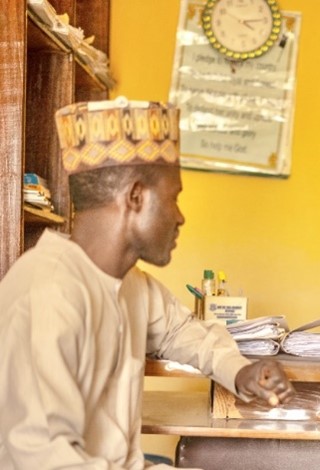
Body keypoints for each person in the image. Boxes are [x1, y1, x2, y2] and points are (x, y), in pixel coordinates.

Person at [0, 97, 295, 468]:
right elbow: (47, 462)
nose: (181, 217)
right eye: (174, 198)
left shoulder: (129, 284)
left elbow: (182, 333)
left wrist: (240, 371)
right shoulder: (46, 293)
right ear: (135, 196)